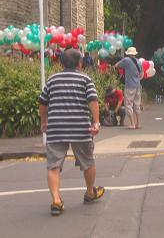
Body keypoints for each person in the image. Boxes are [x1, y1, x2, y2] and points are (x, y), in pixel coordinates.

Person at [38, 49, 104, 216]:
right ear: (80, 63)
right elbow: (93, 101)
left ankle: (56, 200)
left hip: (56, 129)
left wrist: (44, 122)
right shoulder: (85, 79)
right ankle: (90, 192)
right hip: (80, 128)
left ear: (61, 63)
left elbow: (42, 102)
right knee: (88, 162)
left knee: (53, 165)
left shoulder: (52, 80)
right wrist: (96, 122)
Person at [114, 47, 143, 129]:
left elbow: (116, 65)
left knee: (128, 104)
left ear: (128, 54)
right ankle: (138, 123)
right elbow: (141, 74)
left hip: (129, 85)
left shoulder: (126, 60)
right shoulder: (139, 62)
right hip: (137, 85)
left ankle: (132, 123)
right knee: (137, 104)